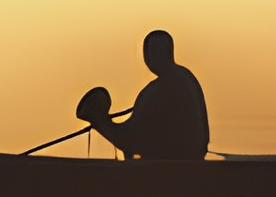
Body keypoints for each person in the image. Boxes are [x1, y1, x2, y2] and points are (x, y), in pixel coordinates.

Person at [77, 29, 212, 162]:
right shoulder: (186, 77)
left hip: (167, 168)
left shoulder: (158, 90)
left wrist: (100, 121)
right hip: (192, 162)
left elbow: (130, 139)